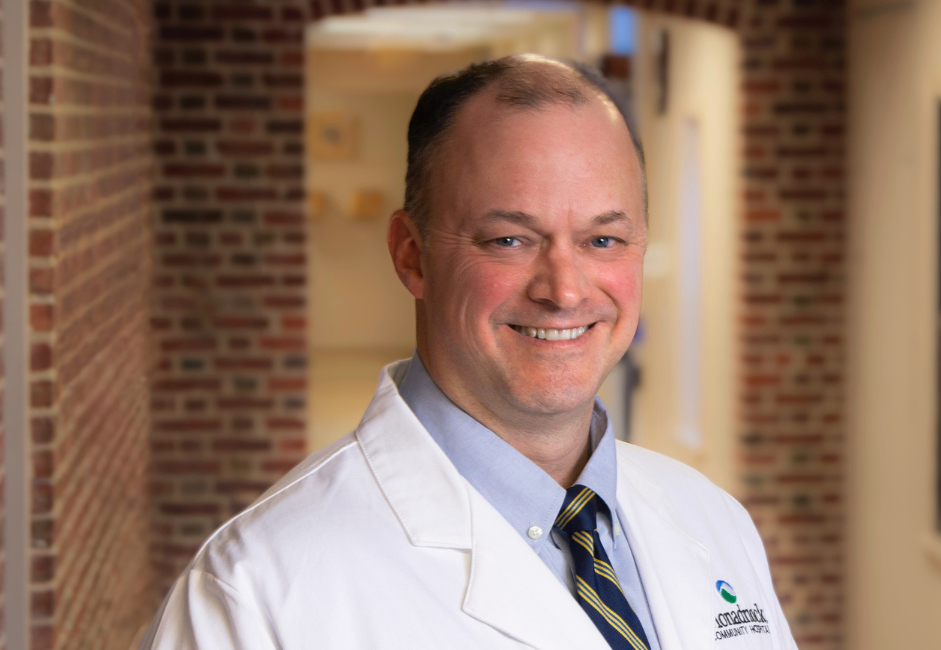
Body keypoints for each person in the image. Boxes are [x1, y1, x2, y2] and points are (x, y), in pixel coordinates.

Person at [139, 55, 797, 650]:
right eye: (510, 239)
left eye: (603, 241)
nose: (565, 290)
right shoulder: (257, 591)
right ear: (411, 255)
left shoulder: (710, 520)